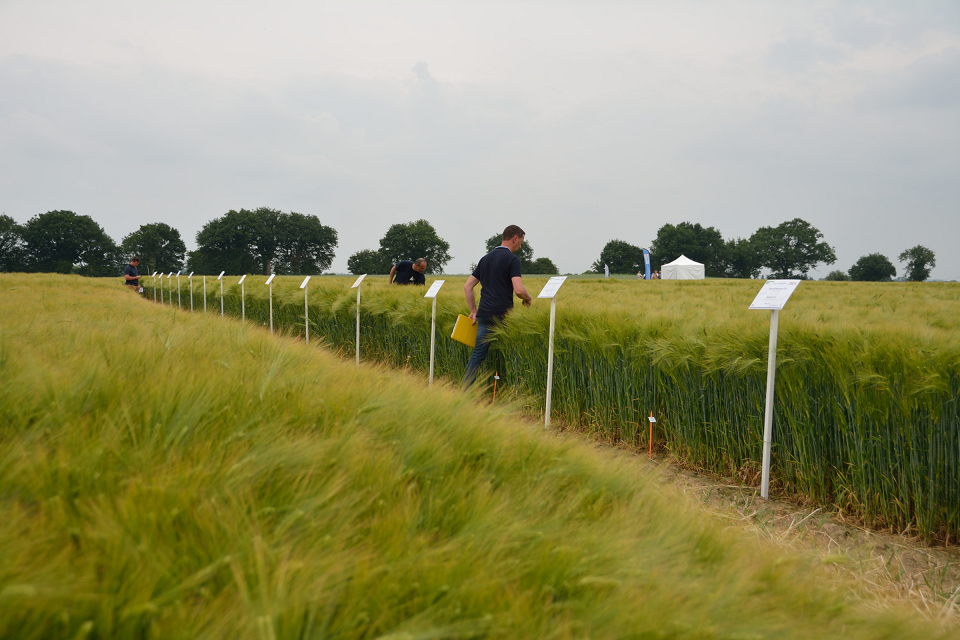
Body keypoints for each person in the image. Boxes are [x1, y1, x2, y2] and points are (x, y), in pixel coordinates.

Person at [463, 225, 532, 386]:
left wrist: (473, 311)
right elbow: (519, 290)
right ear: (515, 238)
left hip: (484, 315)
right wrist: (528, 298)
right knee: (510, 351)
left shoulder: (485, 258)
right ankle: (508, 388)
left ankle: (466, 391)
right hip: (503, 315)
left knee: (478, 355)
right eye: (520, 242)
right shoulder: (512, 260)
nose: (520, 246)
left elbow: (467, 287)